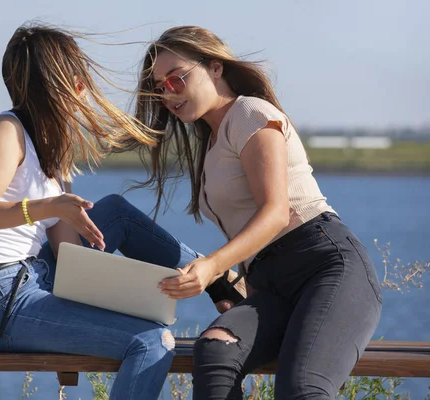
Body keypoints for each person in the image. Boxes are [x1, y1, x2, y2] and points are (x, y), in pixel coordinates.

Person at [128, 26, 382, 399]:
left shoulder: (250, 112)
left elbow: (277, 213)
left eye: (176, 78)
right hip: (271, 285)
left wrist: (212, 267)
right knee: (215, 349)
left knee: (300, 389)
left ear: (215, 67)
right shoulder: (213, 142)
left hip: (325, 266)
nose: (168, 93)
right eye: (159, 87)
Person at [0, 23, 201, 400]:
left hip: (36, 278)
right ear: (52, 83)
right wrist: (50, 207)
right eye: (76, 75)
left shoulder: (50, 145)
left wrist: (112, 283)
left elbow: (67, 256)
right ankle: (216, 278)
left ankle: (214, 276)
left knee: (113, 212)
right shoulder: (4, 131)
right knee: (151, 341)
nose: (84, 86)